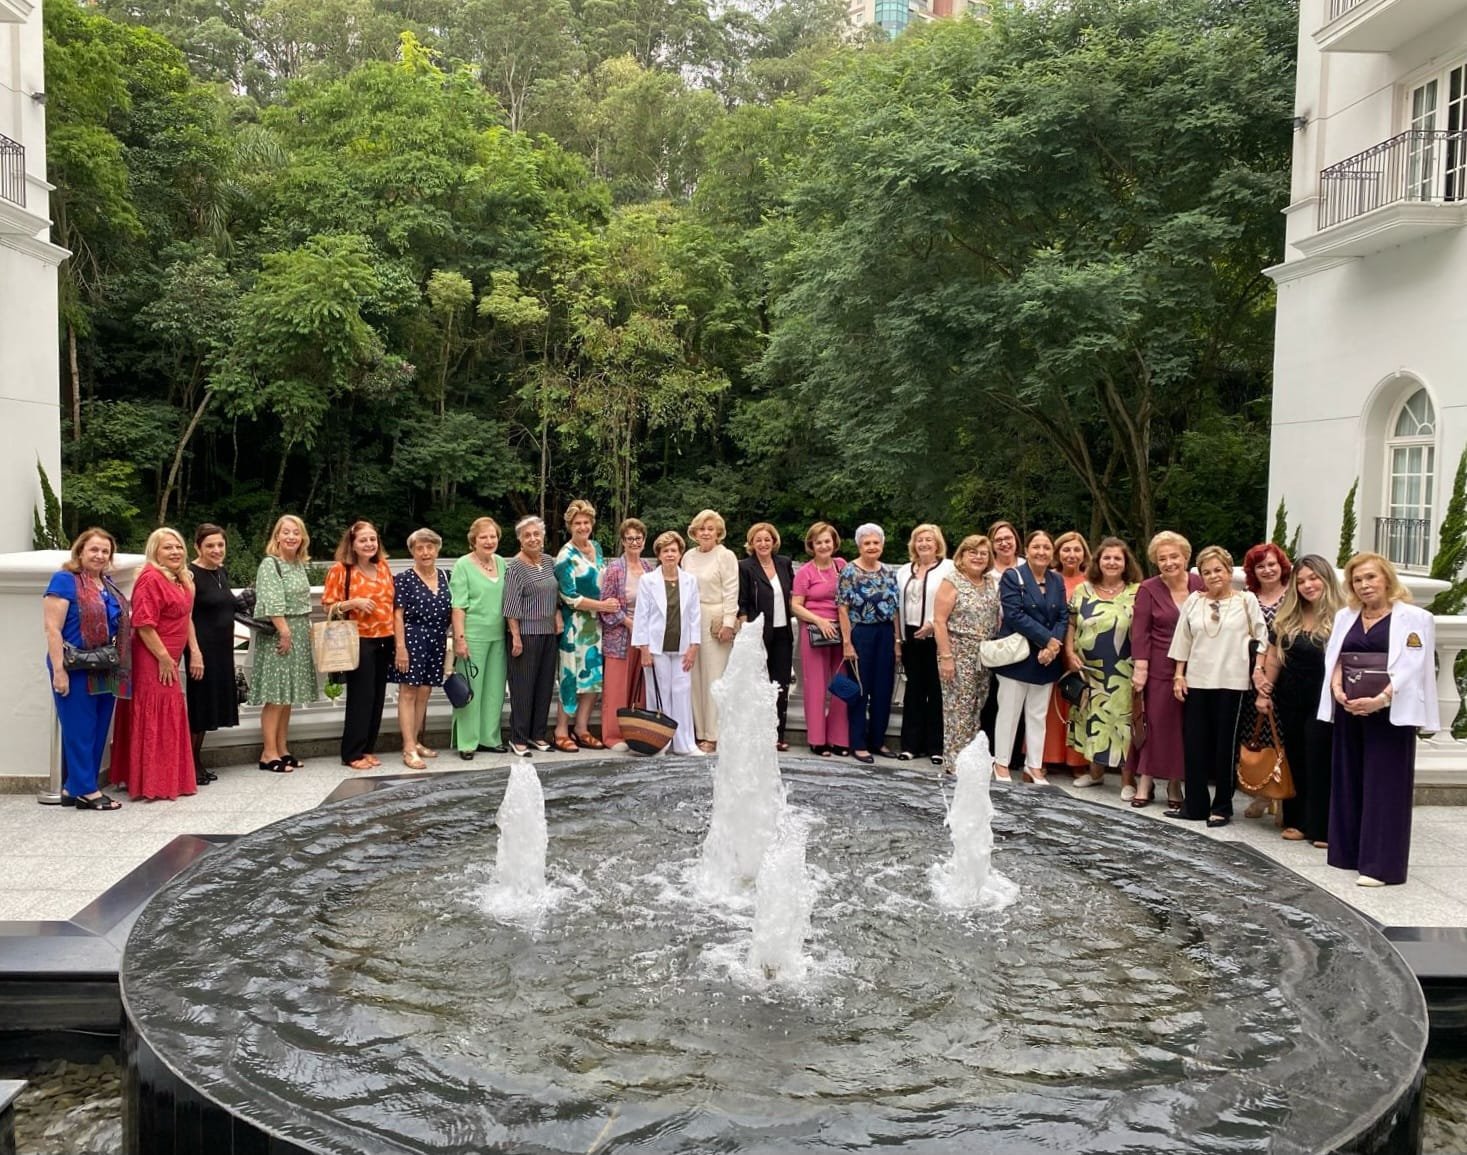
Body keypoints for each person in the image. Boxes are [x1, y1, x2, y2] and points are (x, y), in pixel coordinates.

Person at [1318, 552, 1439, 886]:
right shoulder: (1346, 616)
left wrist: (1382, 698)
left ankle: (1380, 866)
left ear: (1386, 578)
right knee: (1349, 779)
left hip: (1390, 712)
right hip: (1350, 709)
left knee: (1385, 786)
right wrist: (1337, 688)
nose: (1364, 585)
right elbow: (1336, 657)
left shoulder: (1415, 618)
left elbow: (1414, 665)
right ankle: (1348, 854)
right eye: (1357, 580)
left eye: (1371, 577)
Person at [1167, 545, 1268, 827]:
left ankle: (1222, 806)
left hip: (1232, 682)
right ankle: (1195, 804)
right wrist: (1178, 674)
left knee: (1225, 746)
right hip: (1197, 680)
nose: (1214, 576)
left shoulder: (1245, 601)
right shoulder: (1193, 601)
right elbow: (1182, 639)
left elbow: (1262, 637)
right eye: (1207, 572)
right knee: (1195, 744)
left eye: (1219, 570)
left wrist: (1258, 669)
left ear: (1228, 570)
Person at [1256, 555, 1343, 845]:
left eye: (1313, 578)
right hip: (1289, 698)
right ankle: (1297, 820)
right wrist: (1263, 691)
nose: (1308, 585)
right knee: (1295, 758)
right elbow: (1274, 656)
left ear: (1326, 579)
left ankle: (1323, 827)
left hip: (1326, 700)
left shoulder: (1343, 617)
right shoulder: (1288, 616)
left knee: (1320, 760)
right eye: (1302, 580)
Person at [43, 528, 127, 810]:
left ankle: (73, 787)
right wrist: (58, 670)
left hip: (103, 663)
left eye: (105, 551)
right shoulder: (64, 580)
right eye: (94, 549)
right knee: (81, 729)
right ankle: (88, 791)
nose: (100, 555)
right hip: (74, 664)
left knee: (99, 726)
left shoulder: (108, 583)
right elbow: (52, 628)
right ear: (80, 551)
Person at [111, 528, 197, 802]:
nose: (175, 552)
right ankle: (152, 782)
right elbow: (144, 624)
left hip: (170, 656)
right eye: (167, 548)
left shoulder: (181, 578)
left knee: (167, 714)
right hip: (153, 657)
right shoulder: (150, 578)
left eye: (178, 547)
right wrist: (163, 658)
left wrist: (193, 650)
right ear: (155, 552)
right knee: (154, 715)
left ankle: (165, 777)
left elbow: (185, 618)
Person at [1129, 531, 1204, 807]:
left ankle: (1175, 784)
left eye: (1174, 556)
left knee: (1183, 727)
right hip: (1159, 665)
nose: (1169, 562)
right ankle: (1145, 780)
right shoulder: (1148, 588)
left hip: (1196, 666)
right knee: (1156, 723)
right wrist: (1140, 667)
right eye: (1162, 558)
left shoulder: (1201, 584)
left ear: (1186, 557)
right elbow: (1140, 632)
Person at [992, 530, 1070, 785]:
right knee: (1009, 713)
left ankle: (1034, 767)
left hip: (1047, 659)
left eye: (1047, 547)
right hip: (1019, 657)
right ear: (1027, 549)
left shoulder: (1057, 580)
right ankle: (1001, 764)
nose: (1041, 552)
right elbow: (1014, 615)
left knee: (1038, 715)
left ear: (1052, 552)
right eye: (1036, 547)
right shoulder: (1013, 577)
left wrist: (1054, 647)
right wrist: (1046, 641)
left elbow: (1062, 616)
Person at [1064, 538, 1142, 788]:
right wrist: (1069, 652)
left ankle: (1127, 781)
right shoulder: (1082, 590)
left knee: (1123, 721)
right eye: (1106, 557)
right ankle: (1095, 772)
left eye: (1117, 558)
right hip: (1088, 669)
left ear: (1125, 563)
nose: (1111, 562)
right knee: (1091, 718)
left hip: (1122, 669)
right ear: (1097, 561)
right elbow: (1072, 624)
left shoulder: (1138, 592)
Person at [323, 520, 395, 770]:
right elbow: (328, 606)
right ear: (352, 544)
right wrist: (353, 603)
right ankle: (351, 753)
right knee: (361, 698)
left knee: (377, 698)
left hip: (385, 639)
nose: (369, 544)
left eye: (372, 539)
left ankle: (367, 748)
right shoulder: (341, 570)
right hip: (358, 640)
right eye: (363, 540)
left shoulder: (383, 567)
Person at [249, 515, 317, 772]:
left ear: (302, 538)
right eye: (286, 532)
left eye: (296, 533)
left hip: (298, 629)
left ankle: (282, 748)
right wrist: (285, 632)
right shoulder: (270, 564)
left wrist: (302, 629)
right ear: (277, 536)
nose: (291, 537)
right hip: (281, 631)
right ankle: (268, 753)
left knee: (287, 696)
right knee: (276, 696)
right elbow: (271, 600)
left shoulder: (298, 564)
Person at [553, 500, 617, 751]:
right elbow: (569, 597)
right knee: (570, 677)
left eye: (586, 522)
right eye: (577, 523)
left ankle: (581, 728)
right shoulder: (565, 556)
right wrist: (604, 606)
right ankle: (560, 730)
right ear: (570, 525)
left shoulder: (597, 548)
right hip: (575, 626)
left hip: (597, 627)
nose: (582, 526)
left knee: (593, 678)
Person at [631, 531, 703, 755]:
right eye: (666, 551)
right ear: (659, 555)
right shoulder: (648, 580)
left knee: (682, 691)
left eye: (674, 550)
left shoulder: (690, 581)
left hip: (682, 646)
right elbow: (641, 615)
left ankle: (684, 744)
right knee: (658, 691)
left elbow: (694, 615)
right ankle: (659, 743)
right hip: (656, 646)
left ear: (680, 554)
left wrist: (694, 646)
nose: (670, 554)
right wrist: (644, 648)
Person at [932, 535, 1001, 764]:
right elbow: (939, 621)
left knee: (977, 706)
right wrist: (946, 657)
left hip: (984, 654)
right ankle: (954, 761)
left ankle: (970, 759)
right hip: (958, 651)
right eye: (972, 552)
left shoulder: (991, 582)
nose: (978, 557)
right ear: (961, 555)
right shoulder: (951, 581)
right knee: (958, 708)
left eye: (983, 553)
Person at [838, 523, 902, 764]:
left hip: (885, 633)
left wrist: (897, 642)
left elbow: (895, 610)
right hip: (861, 633)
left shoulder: (888, 572)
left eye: (876, 542)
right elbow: (842, 609)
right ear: (859, 545)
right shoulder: (849, 572)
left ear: (882, 545)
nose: (872, 546)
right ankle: (858, 742)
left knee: (884, 689)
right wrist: (847, 643)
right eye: (867, 543)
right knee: (860, 689)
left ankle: (878, 740)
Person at [391, 528, 453, 770]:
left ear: (437, 549)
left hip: (437, 639)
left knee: (425, 692)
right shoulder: (404, 579)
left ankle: (416, 741)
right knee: (408, 692)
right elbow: (397, 616)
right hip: (412, 638)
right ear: (412, 552)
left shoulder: (446, 576)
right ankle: (407, 747)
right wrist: (400, 647)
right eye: (420, 548)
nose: (425, 552)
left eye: (430, 547)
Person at [184, 523, 241, 785]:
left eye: (220, 545)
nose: (216, 550)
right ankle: (190, 764)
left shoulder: (221, 572)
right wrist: (195, 652)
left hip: (222, 650)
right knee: (198, 708)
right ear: (197, 547)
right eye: (210, 546)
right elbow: (186, 616)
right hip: (201, 650)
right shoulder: (190, 575)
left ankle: (197, 760)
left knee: (209, 709)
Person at [1241, 542, 1294, 820]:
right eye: (1260, 566)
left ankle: (1284, 796)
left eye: (1272, 564)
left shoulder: (1294, 595)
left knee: (1284, 735)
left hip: (1288, 673)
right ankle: (1264, 793)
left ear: (1282, 565)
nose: (1267, 570)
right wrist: (1258, 671)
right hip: (1253, 674)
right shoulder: (1247, 598)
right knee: (1261, 734)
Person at [449, 517, 509, 759]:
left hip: (498, 636)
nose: (489, 541)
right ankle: (467, 741)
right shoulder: (463, 565)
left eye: (493, 536)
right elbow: (458, 607)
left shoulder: (502, 563)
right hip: (472, 636)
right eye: (483, 537)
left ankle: (489, 738)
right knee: (470, 691)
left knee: (495, 691)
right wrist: (460, 639)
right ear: (473, 540)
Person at [503, 516, 562, 757]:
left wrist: (557, 613)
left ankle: (538, 734)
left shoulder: (549, 562)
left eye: (536, 534)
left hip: (549, 633)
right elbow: (510, 605)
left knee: (544, 687)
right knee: (523, 688)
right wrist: (515, 636)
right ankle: (518, 737)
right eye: (527, 535)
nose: (533, 538)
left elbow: (556, 593)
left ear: (543, 536)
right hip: (525, 635)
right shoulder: (515, 567)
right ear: (520, 540)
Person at [895, 523, 953, 764]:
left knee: (937, 691)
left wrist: (933, 623)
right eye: (920, 540)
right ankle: (910, 745)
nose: (924, 544)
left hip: (936, 635)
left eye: (929, 539)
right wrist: (898, 640)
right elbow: (895, 607)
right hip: (910, 636)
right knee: (914, 690)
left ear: (937, 543)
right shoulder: (903, 571)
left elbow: (954, 602)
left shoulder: (948, 568)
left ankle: (936, 745)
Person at [737, 522, 798, 750]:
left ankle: (777, 736)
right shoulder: (745, 566)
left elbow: (793, 595)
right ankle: (755, 736)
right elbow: (742, 603)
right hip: (758, 633)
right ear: (751, 543)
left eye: (767, 539)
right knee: (756, 686)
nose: (763, 543)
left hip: (783, 633)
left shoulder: (784, 563)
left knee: (779, 685)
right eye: (758, 540)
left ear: (774, 542)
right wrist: (746, 634)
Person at [791, 522, 849, 757]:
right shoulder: (805, 572)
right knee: (815, 685)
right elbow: (795, 605)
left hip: (840, 631)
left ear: (834, 543)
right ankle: (817, 739)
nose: (824, 545)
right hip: (815, 631)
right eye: (819, 542)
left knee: (841, 684)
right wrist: (819, 621)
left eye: (827, 541)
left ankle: (839, 737)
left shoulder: (842, 566)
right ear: (811, 546)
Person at [683, 509, 739, 752]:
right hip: (690, 618)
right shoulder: (687, 556)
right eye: (701, 529)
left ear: (718, 532)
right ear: (694, 532)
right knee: (693, 677)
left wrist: (728, 622)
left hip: (715, 619)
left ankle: (713, 734)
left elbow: (731, 589)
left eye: (710, 529)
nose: (705, 533)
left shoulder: (725, 556)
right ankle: (698, 731)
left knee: (714, 677)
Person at [599, 518, 654, 752]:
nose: (634, 542)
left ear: (644, 541)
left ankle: (636, 734)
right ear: (623, 541)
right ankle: (613, 736)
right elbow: (607, 605)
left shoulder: (650, 570)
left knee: (640, 686)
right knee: (617, 687)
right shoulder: (614, 570)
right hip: (620, 635)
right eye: (630, 538)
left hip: (645, 637)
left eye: (638, 538)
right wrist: (630, 622)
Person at [1044, 531, 1092, 779]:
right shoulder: (1049, 579)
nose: (1071, 555)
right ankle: (1047, 756)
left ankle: (1077, 759)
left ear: (1084, 553)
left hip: (1080, 652)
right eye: (1066, 549)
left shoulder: (1091, 581)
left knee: (1077, 702)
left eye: (1076, 550)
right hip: (1051, 648)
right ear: (1057, 553)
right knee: (1049, 705)